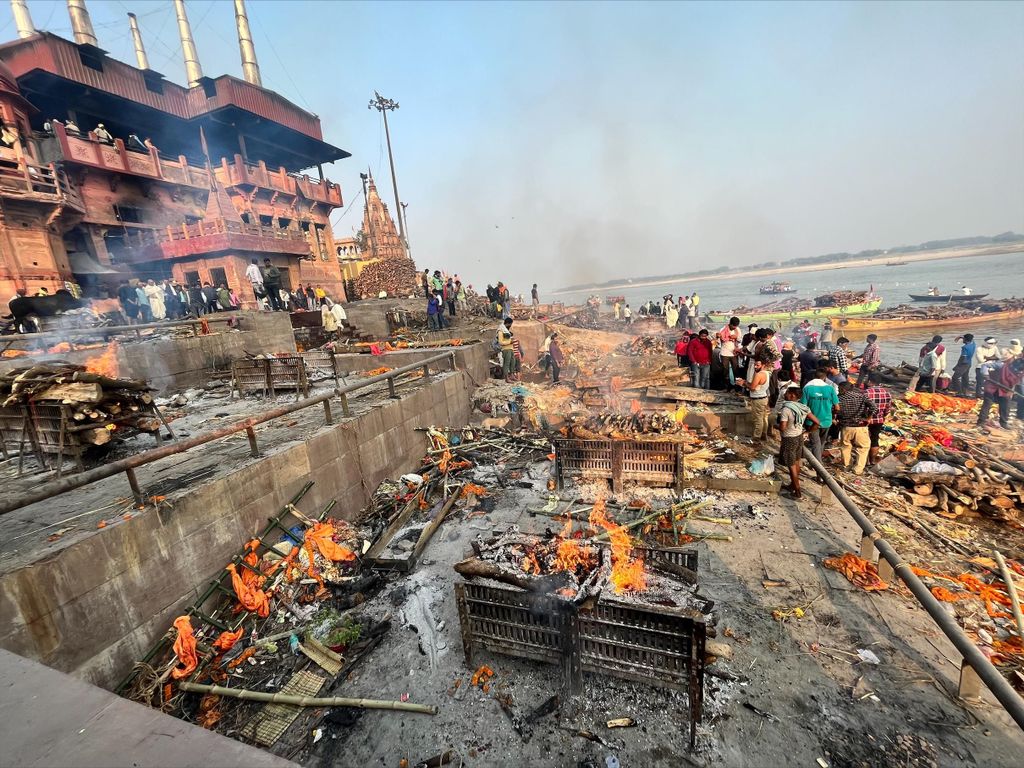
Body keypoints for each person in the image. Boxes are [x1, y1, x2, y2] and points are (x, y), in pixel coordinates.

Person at [778, 386, 818, 499]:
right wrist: (808, 432)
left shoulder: (786, 409)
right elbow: (817, 422)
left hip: (789, 439)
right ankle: (793, 485)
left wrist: (775, 425)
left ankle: (797, 492)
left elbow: (783, 427)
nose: (785, 394)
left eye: (787, 393)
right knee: (796, 462)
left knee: (791, 466)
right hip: (799, 437)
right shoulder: (803, 407)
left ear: (792, 395)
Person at [837, 381, 878, 475]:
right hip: (861, 426)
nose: (838, 391)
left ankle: (846, 466)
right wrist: (869, 418)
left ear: (843, 389)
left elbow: (833, 409)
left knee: (845, 447)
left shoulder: (838, 398)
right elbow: (874, 407)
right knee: (863, 448)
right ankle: (858, 469)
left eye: (839, 389)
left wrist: (835, 418)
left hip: (846, 427)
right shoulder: (862, 396)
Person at [802, 365, 839, 462]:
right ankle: (819, 464)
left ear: (814, 376)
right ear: (825, 377)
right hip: (826, 420)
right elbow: (837, 407)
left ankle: (818, 465)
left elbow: (803, 406)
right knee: (821, 442)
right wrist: (833, 415)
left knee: (815, 443)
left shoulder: (807, 388)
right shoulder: (830, 389)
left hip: (812, 421)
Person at [977, 359, 1024, 431]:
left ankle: (1003, 422)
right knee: (987, 403)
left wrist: (1017, 392)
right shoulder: (1001, 365)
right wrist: (985, 374)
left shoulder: (1020, 372)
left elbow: (1019, 384)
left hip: (1005, 389)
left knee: (1006, 404)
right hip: (992, 386)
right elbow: (984, 365)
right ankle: (981, 421)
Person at [737, 358, 770, 445]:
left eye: (757, 365)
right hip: (763, 398)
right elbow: (755, 385)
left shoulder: (759, 374)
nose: (755, 367)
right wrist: (746, 382)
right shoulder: (766, 373)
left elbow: (752, 388)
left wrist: (743, 383)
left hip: (758, 399)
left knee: (758, 419)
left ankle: (756, 439)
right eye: (754, 365)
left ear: (763, 365)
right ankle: (764, 435)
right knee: (763, 418)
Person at [864, 372, 892, 467]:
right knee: (875, 439)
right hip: (879, 420)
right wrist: (883, 416)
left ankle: (865, 460)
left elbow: (862, 407)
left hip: (866, 419)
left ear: (870, 381)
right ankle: (872, 461)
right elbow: (888, 409)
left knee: (865, 440)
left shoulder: (866, 392)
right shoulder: (887, 393)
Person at [719, 317, 741, 389]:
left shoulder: (737, 330)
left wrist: (736, 337)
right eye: (733, 326)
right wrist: (719, 336)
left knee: (736, 370)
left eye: (736, 326)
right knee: (725, 370)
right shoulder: (723, 329)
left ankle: (737, 387)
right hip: (724, 353)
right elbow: (719, 340)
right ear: (730, 324)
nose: (735, 327)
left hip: (734, 353)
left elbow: (740, 340)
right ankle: (727, 387)